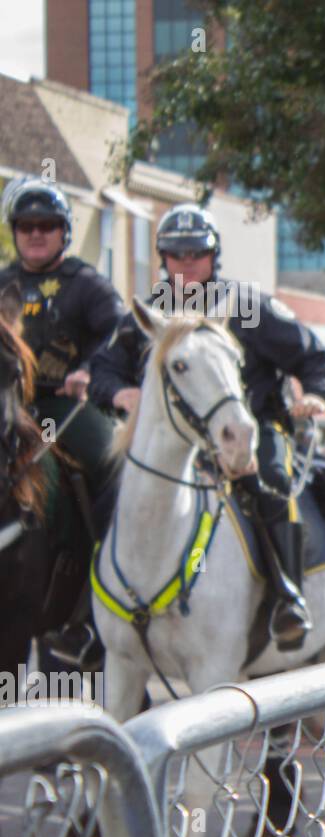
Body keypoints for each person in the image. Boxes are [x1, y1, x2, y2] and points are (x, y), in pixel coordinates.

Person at [90, 203, 325, 651]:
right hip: (179, 436)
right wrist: (117, 393)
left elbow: (315, 355)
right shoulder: (148, 317)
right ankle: (93, 616)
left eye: (196, 253)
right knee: (108, 488)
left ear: (213, 256)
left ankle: (288, 597)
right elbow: (104, 368)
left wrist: (317, 393)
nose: (186, 263)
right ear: (162, 257)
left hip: (255, 424)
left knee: (273, 482)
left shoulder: (249, 306)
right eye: (175, 254)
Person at [0, 179, 129, 665]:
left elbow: (121, 334)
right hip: (6, 405)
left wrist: (90, 370)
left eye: (47, 225)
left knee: (111, 466)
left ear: (64, 232)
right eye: (26, 226)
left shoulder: (87, 284)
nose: (36, 233)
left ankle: (97, 609)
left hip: (63, 408)